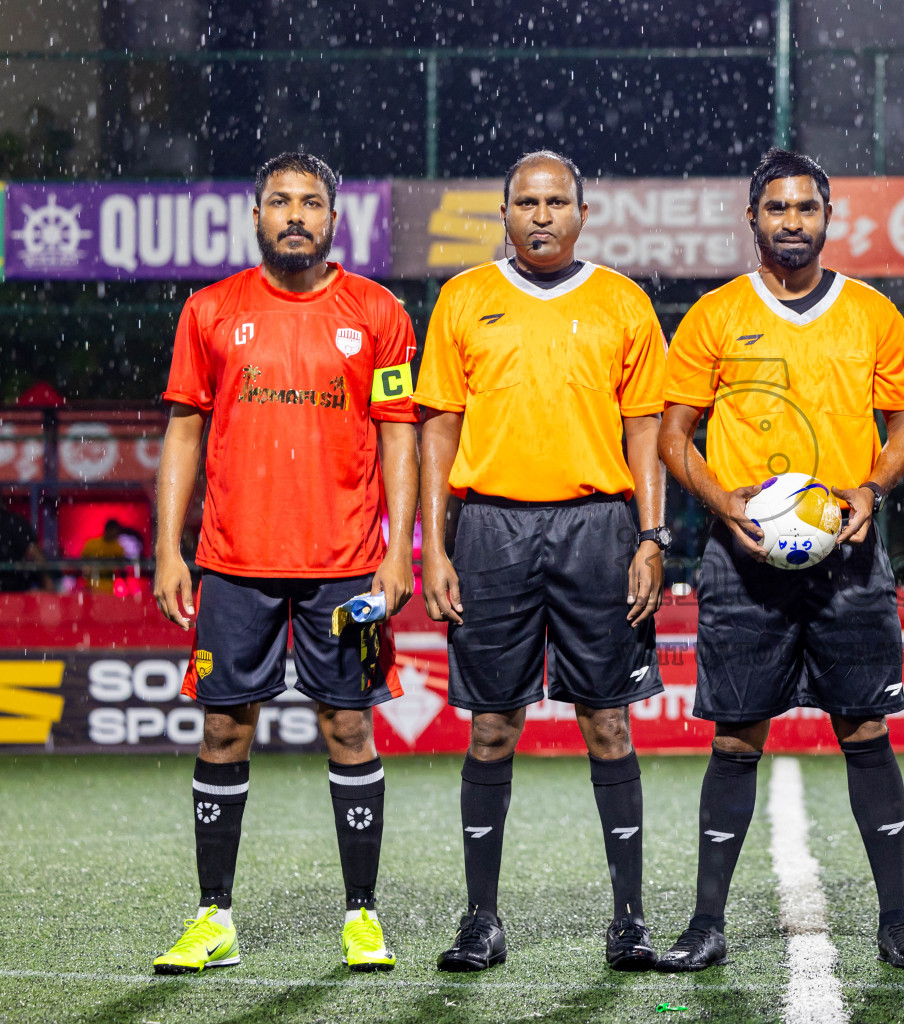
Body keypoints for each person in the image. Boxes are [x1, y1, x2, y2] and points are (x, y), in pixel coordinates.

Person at [655, 148, 904, 972]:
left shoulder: (873, 314)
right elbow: (674, 436)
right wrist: (722, 502)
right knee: (736, 737)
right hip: (741, 560)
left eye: (805, 209)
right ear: (752, 219)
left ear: (827, 217)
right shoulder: (712, 314)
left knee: (866, 728)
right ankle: (707, 923)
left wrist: (871, 489)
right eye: (775, 209)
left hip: (847, 560)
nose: (791, 222)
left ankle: (898, 920)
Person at [151, 152, 419, 974]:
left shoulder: (377, 312)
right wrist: (169, 546)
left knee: (347, 724)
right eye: (279, 202)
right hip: (233, 563)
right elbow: (186, 431)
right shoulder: (209, 311)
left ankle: (363, 918)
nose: (294, 215)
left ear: (335, 219)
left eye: (310, 202)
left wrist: (397, 550)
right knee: (224, 728)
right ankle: (213, 918)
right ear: (257, 215)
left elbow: (399, 432)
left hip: (344, 565)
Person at [415, 150, 669, 973]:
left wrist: (650, 538)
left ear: (583, 214)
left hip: (598, 526)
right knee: (493, 726)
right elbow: (438, 430)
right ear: (504, 213)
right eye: (526, 201)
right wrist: (436, 545)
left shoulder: (623, 303)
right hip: (490, 530)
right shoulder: (464, 298)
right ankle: (480, 920)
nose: (542, 214)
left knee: (606, 721)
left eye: (557, 201)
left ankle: (628, 919)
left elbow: (647, 435)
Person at [0, 507, 45, 592]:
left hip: (15, 591)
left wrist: (46, 582)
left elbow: (36, 554)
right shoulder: (15, 522)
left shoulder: (14, 523)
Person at [80, 518, 127, 593]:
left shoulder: (118, 548)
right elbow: (82, 563)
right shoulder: (91, 544)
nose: (114, 534)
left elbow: (122, 567)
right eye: (113, 531)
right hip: (91, 586)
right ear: (107, 530)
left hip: (108, 588)